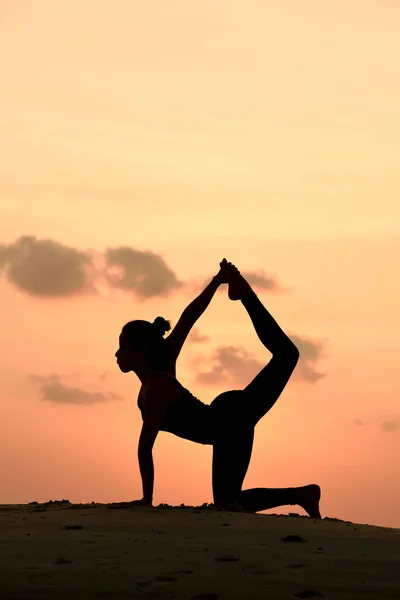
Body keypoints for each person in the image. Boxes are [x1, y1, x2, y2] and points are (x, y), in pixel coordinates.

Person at [115, 259, 321, 518]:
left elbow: (145, 447)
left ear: (141, 350)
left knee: (287, 355)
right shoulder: (163, 362)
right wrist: (216, 282)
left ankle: (246, 294)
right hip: (225, 420)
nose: (116, 353)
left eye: (122, 347)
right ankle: (301, 495)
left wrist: (147, 498)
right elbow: (189, 316)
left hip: (231, 421)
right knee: (228, 502)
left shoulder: (156, 388)